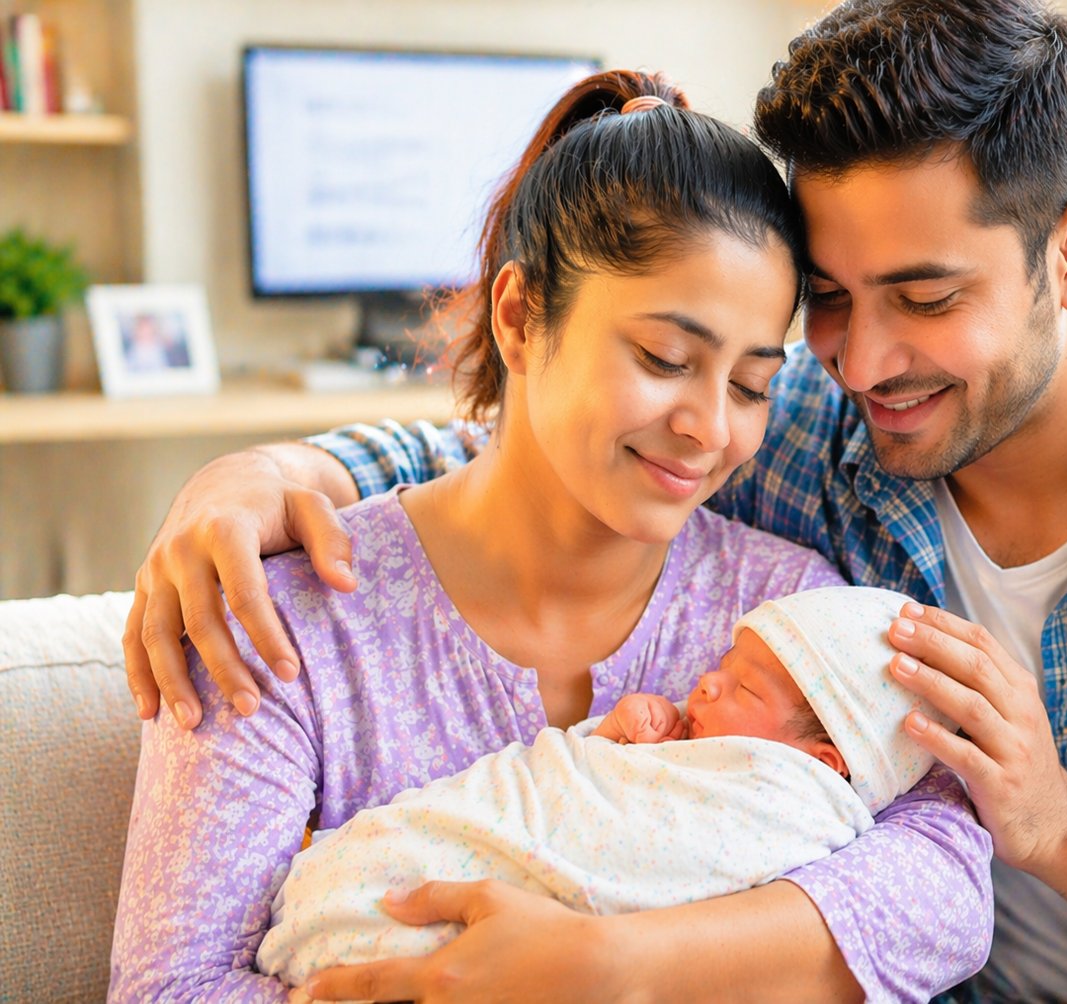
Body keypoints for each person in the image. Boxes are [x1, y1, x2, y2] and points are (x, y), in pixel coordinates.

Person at [124, 3, 1067, 1001]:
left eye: (925, 298)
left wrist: (1057, 824)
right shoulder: (802, 422)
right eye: (826, 302)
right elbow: (543, 438)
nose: (860, 363)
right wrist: (269, 474)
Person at [108, 70, 992, 1003]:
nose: (707, 427)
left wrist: (617, 969)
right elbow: (171, 986)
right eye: (664, 358)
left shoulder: (784, 620)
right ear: (520, 317)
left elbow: (941, 885)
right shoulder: (283, 621)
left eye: (749, 386)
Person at [258, 585, 951, 990]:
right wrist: (611, 741)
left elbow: (649, 852)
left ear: (822, 762)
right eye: (721, 665)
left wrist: (613, 960)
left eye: (742, 688)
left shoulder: (792, 806)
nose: (705, 683)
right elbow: (566, 786)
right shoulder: (681, 743)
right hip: (406, 860)